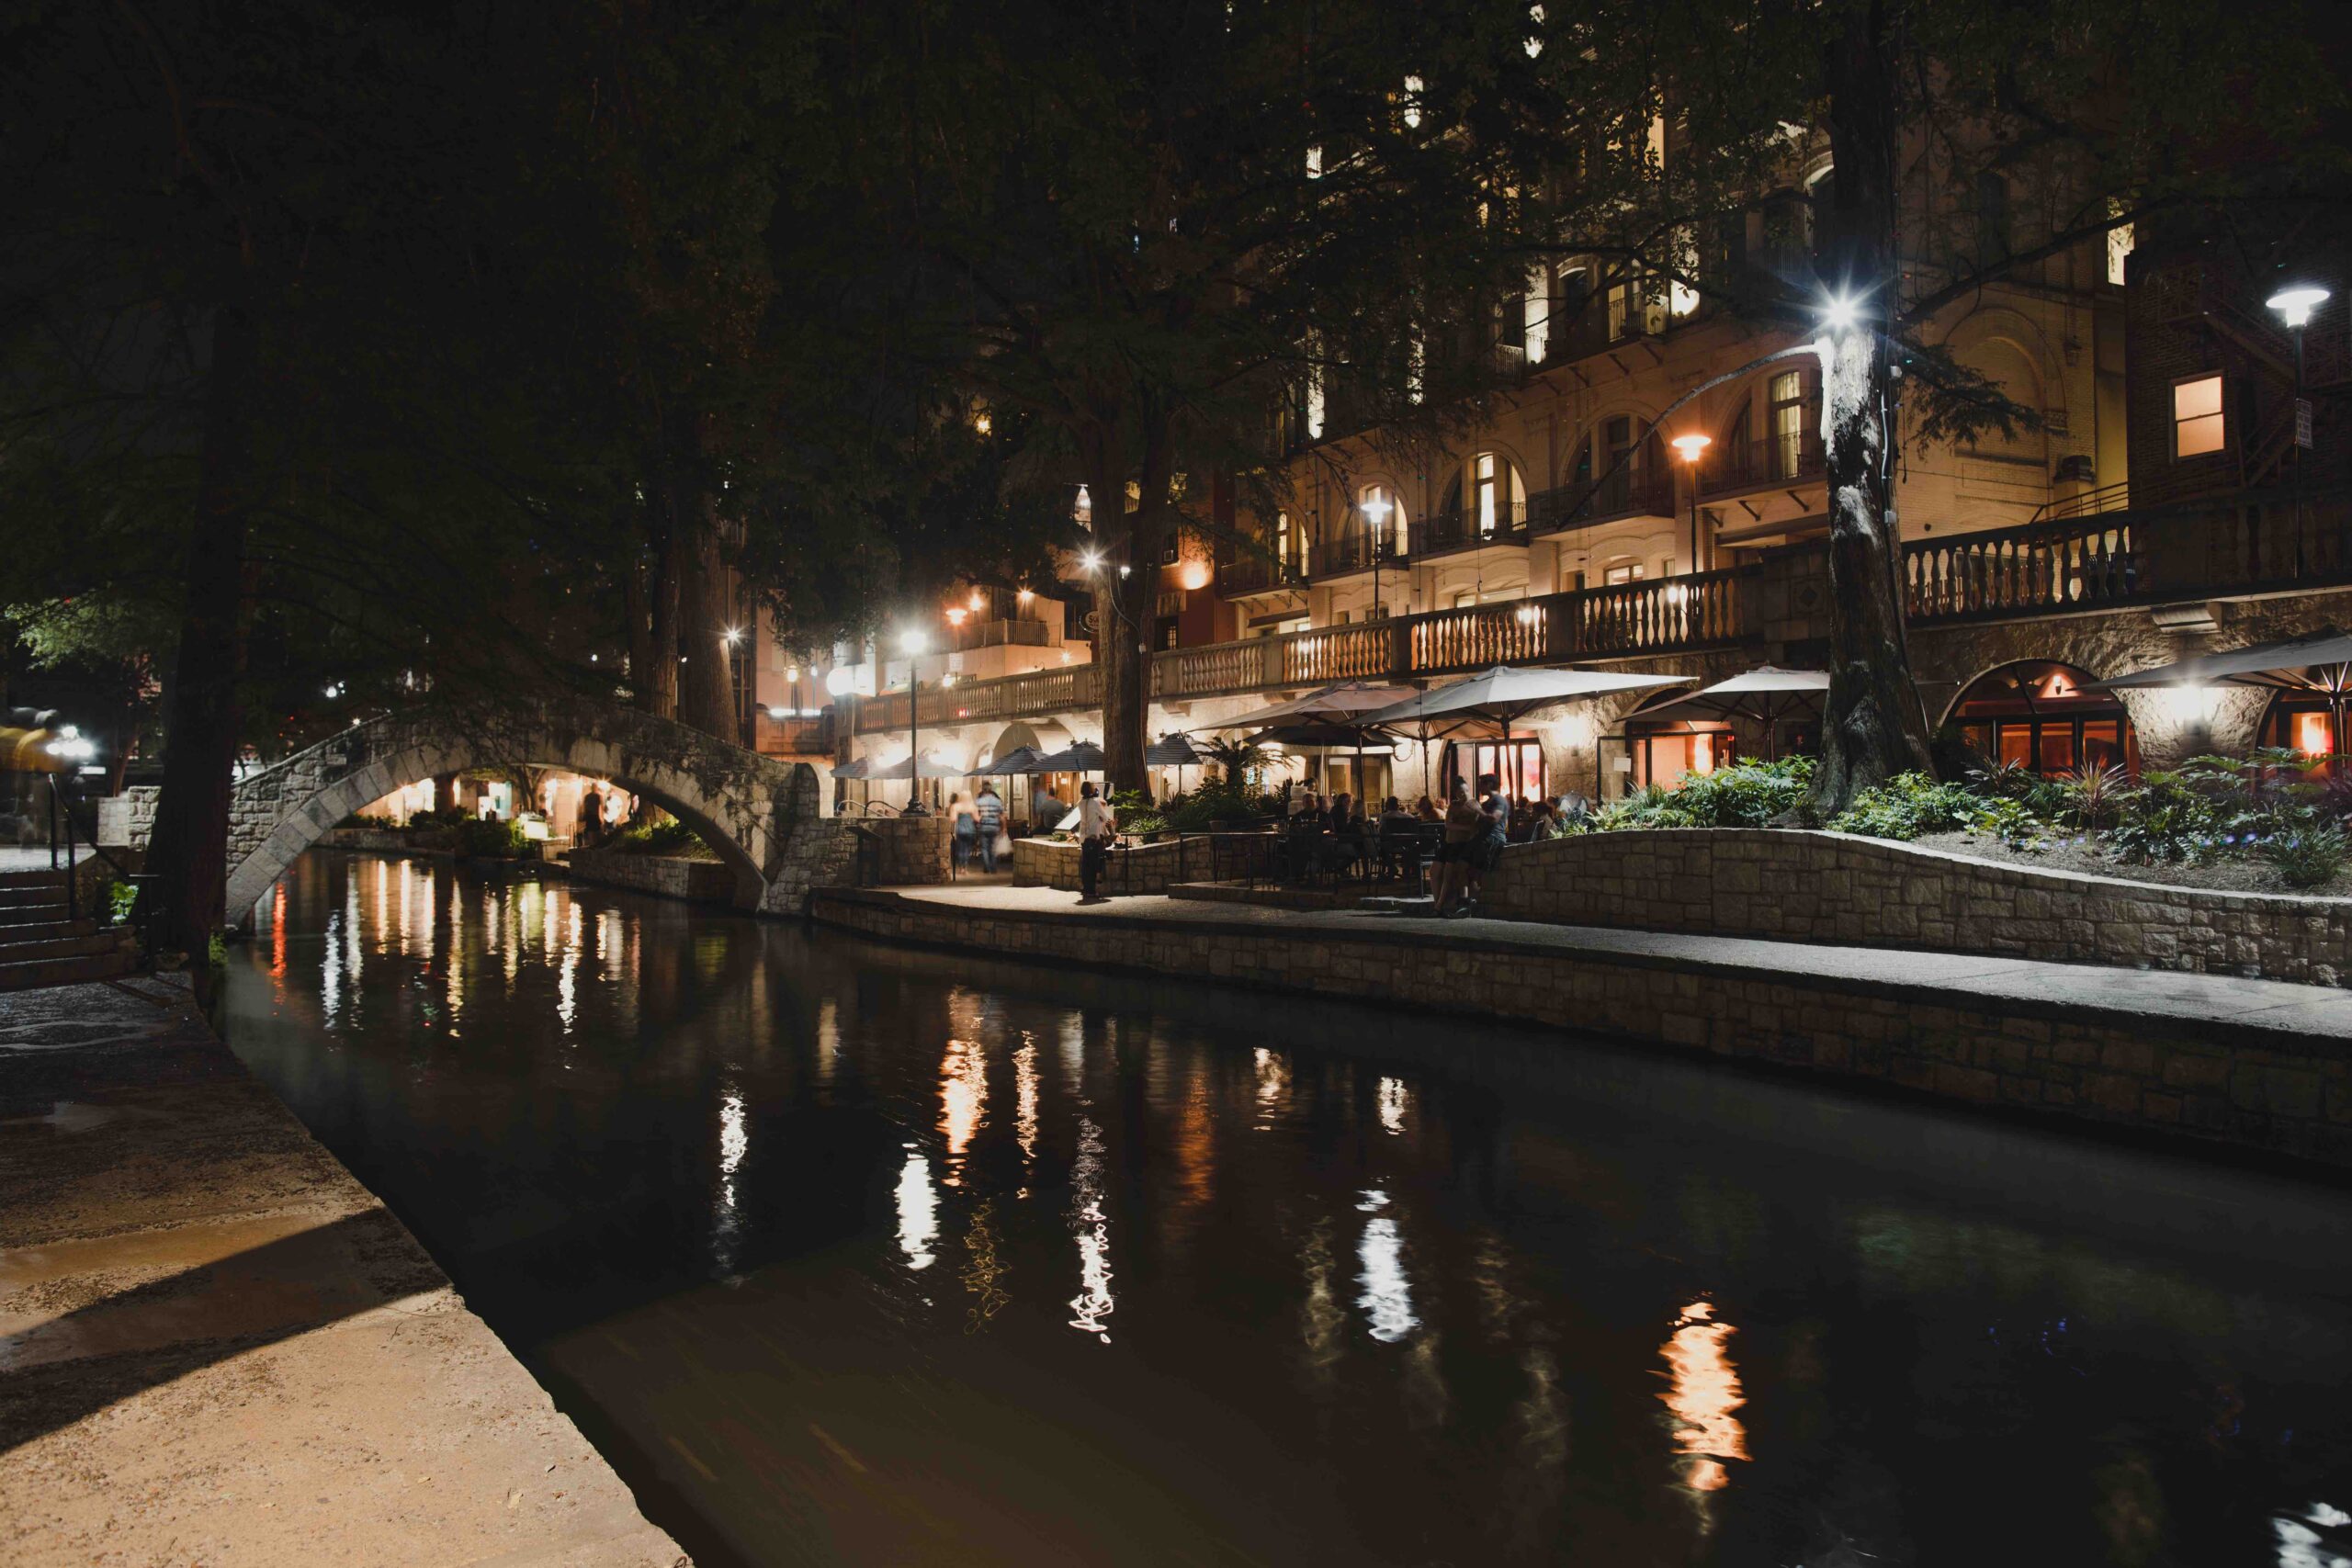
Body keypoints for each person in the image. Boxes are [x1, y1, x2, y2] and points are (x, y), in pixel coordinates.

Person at [1447, 773, 1510, 919]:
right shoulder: (1489, 801)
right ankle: (1465, 902)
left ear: (1489, 784)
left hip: (1491, 840)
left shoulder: (1499, 800)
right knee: (1461, 867)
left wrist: (1476, 809)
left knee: (1474, 872)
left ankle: (1469, 906)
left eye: (1481, 784)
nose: (1479, 787)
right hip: (1480, 839)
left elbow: (1494, 818)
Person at [1432, 776, 1479, 915]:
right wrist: (1463, 826)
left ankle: (1439, 906)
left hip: (1460, 844)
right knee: (1434, 871)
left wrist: (1457, 825)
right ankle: (1437, 902)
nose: (1462, 795)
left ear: (1468, 789)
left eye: (1464, 791)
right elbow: (1448, 824)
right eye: (1459, 793)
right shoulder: (1454, 804)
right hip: (1447, 842)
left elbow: (1473, 827)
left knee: (1448, 874)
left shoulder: (1475, 804)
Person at [1075, 781, 1116, 902]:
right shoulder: (1095, 803)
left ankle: (1085, 889)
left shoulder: (1080, 803)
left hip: (1084, 837)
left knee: (1085, 865)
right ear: (1092, 790)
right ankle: (1091, 891)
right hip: (1094, 837)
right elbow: (1105, 817)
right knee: (1093, 865)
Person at [974, 782, 1005, 873]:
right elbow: (1002, 816)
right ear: (991, 789)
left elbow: (976, 815)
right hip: (994, 827)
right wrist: (1004, 828)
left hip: (983, 827)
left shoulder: (979, 801)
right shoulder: (997, 801)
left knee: (984, 848)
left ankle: (987, 866)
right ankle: (993, 867)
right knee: (993, 848)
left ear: (983, 790)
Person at [948, 791, 977, 873]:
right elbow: (977, 819)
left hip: (960, 830)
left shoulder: (956, 806)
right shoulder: (972, 806)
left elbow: (953, 819)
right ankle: (965, 866)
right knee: (967, 850)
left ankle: (961, 868)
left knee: (960, 849)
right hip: (970, 830)